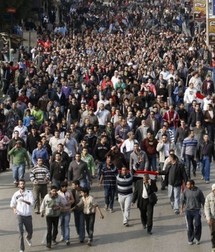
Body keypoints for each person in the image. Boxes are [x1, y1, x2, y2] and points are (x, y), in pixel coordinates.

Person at [10, 179, 34, 252]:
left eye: (23, 184)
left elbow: (32, 203)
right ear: (18, 185)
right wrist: (14, 209)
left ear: (25, 184)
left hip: (27, 215)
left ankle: (28, 238)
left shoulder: (29, 192)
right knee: (20, 233)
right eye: (21, 184)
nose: (22, 185)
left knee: (30, 231)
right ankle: (21, 249)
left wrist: (24, 201)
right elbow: (12, 204)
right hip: (19, 215)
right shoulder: (16, 194)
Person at [180, 180, 205, 245]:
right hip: (188, 211)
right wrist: (181, 209)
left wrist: (205, 210)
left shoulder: (198, 191)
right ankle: (190, 239)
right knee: (189, 225)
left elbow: (203, 201)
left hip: (197, 210)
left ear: (192, 185)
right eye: (186, 184)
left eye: (188, 184)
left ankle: (197, 238)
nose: (186, 186)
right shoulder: (185, 191)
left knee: (197, 224)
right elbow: (182, 200)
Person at [58, 181, 74, 246]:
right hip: (60, 211)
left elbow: (73, 200)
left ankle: (67, 239)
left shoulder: (69, 192)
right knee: (61, 224)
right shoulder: (58, 193)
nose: (65, 188)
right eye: (63, 187)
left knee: (66, 225)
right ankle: (62, 235)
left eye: (66, 187)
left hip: (67, 211)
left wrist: (69, 202)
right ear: (61, 187)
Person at [204, 184, 215, 252]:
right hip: (212, 219)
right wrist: (208, 218)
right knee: (213, 233)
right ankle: (214, 247)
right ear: (212, 190)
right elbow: (206, 208)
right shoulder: (208, 197)